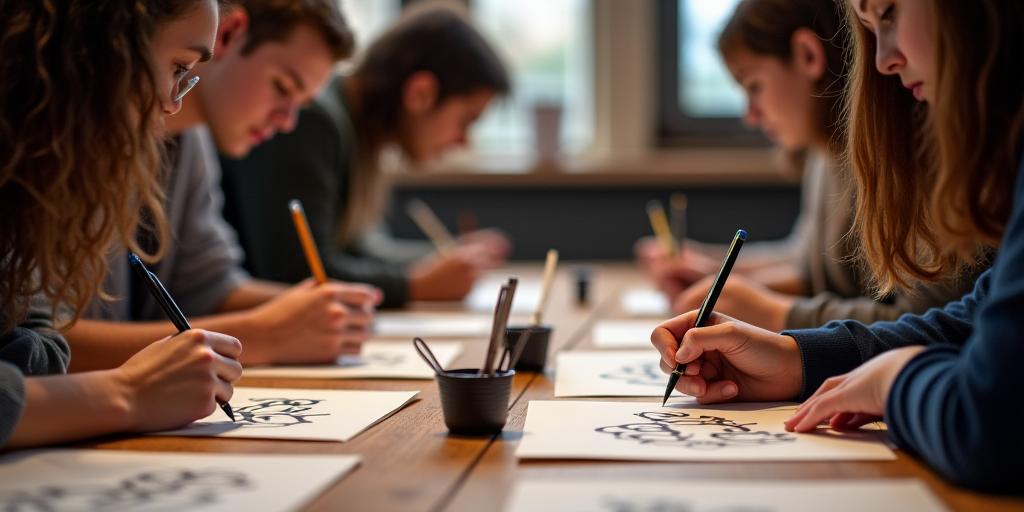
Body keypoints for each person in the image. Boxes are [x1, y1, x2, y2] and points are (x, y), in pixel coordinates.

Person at [652, 0, 1024, 493]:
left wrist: (894, 377)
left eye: (889, 14)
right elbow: (974, 316)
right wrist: (795, 359)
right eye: (869, 31)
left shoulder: (923, 145)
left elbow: (988, 424)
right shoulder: (835, 155)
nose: (881, 62)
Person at [66, 0, 384, 372]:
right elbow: (35, 347)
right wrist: (265, 335)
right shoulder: (72, 136)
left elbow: (210, 286)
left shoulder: (191, 142)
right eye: (282, 87)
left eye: (302, 104)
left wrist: (317, 314)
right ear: (228, 35)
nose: (287, 123)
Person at [640, 0, 980, 332]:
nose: (751, 115)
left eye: (754, 87)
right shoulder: (824, 153)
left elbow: (927, 319)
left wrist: (772, 312)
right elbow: (807, 261)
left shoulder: (915, 152)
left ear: (808, 55)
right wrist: (713, 269)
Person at [0, 0, 242, 448]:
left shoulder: (30, 181)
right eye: (176, 68)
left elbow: (40, 343)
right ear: (97, 50)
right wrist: (126, 393)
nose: (173, 106)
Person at [219, 4, 512, 308]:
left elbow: (358, 249)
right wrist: (415, 285)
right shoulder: (313, 121)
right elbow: (298, 274)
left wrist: (442, 258)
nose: (463, 142)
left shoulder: (358, 132)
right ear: (421, 93)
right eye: (466, 121)